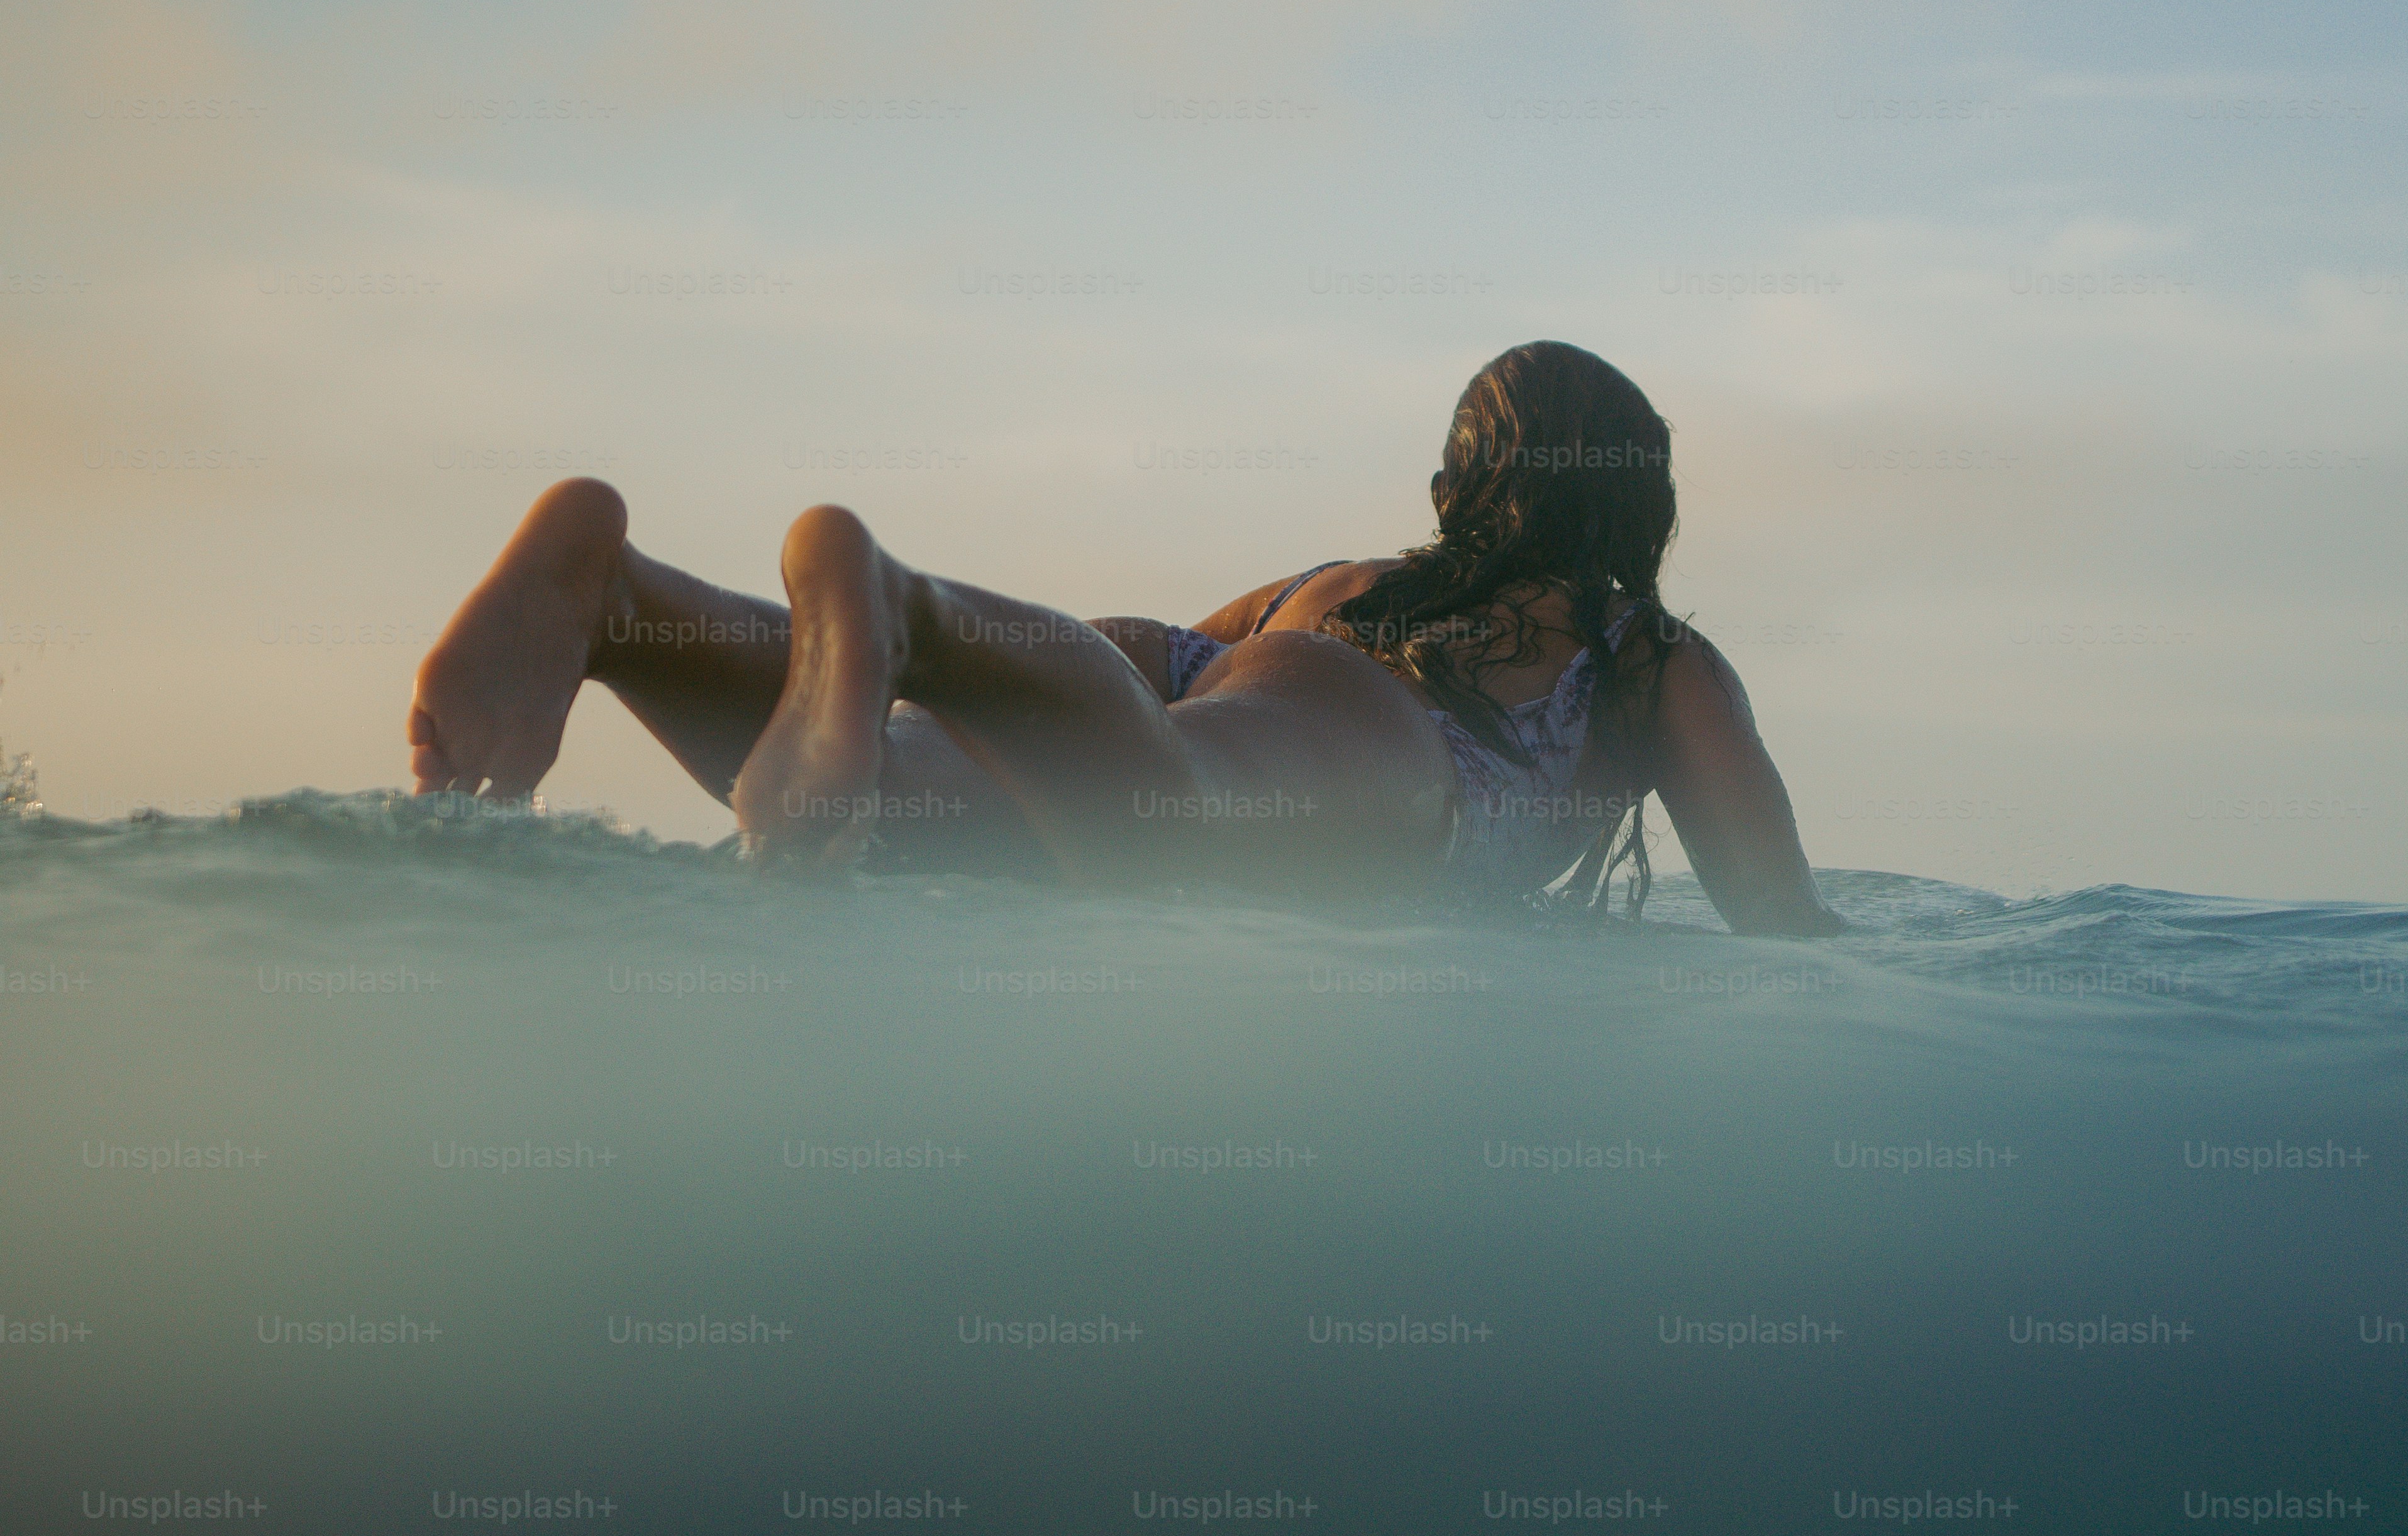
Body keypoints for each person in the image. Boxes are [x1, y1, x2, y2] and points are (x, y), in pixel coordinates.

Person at [404, 341, 1839, 935]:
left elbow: (1188, 661)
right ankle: (899, 608)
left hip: (1177, 663)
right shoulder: (1645, 655)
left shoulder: (1358, 576)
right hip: (1376, 742)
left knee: (896, 813)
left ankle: (620, 602)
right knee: (1175, 823)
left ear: (1457, 486)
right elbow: (1782, 919)